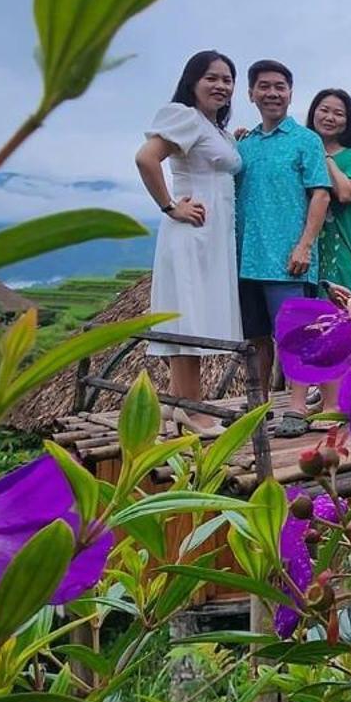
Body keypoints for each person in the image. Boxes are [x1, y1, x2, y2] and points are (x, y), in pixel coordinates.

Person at [134, 50, 241, 439]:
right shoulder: (183, 116)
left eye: (227, 79)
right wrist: (169, 206)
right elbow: (147, 158)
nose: (221, 85)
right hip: (193, 232)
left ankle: (178, 404)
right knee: (188, 313)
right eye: (212, 77)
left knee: (193, 310)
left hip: (213, 236)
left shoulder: (213, 128)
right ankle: (193, 411)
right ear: (192, 81)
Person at [235, 60, 330, 435]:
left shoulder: (306, 140)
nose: (272, 93)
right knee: (256, 336)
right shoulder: (246, 144)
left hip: (289, 258)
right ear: (251, 93)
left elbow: (320, 195)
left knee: (295, 334)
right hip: (246, 257)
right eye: (264, 86)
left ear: (290, 93)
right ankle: (258, 405)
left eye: (280, 87)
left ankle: (296, 406)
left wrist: (304, 246)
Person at [306, 88, 351, 293]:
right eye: (324, 110)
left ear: (348, 121)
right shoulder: (300, 152)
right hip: (301, 255)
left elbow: (345, 193)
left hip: (341, 258)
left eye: (339, 114)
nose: (330, 117)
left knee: (338, 317)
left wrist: (323, 155)